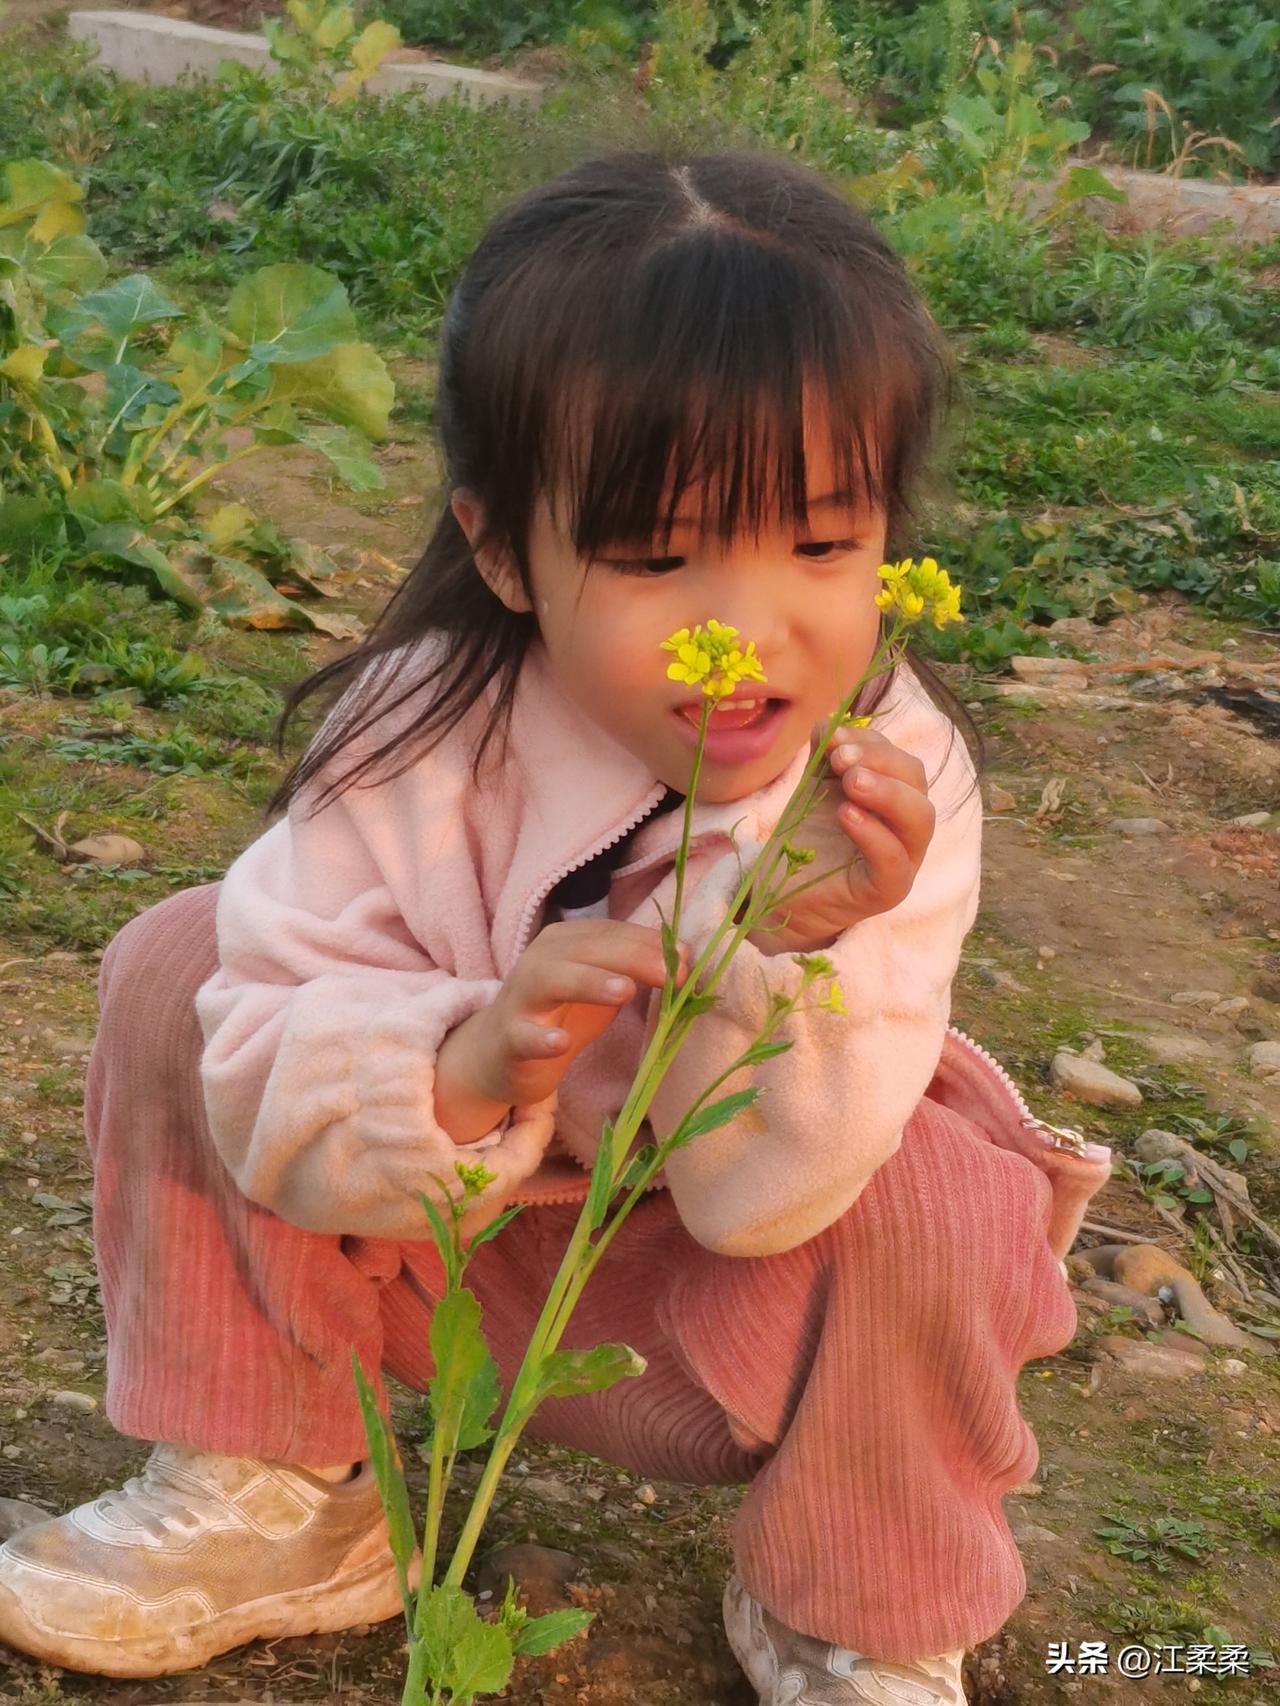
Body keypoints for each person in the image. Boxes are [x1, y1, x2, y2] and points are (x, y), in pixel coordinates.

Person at [0, 150, 1111, 1703]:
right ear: (506, 546)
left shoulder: (886, 775)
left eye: (823, 543)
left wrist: (766, 948)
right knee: (183, 963)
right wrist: (461, 1061)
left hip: (718, 1303)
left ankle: (855, 1596)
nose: (754, 628)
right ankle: (279, 1484)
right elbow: (271, 1045)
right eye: (659, 558)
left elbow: (767, 1201)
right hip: (436, 1250)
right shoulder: (414, 733)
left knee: (937, 1177)